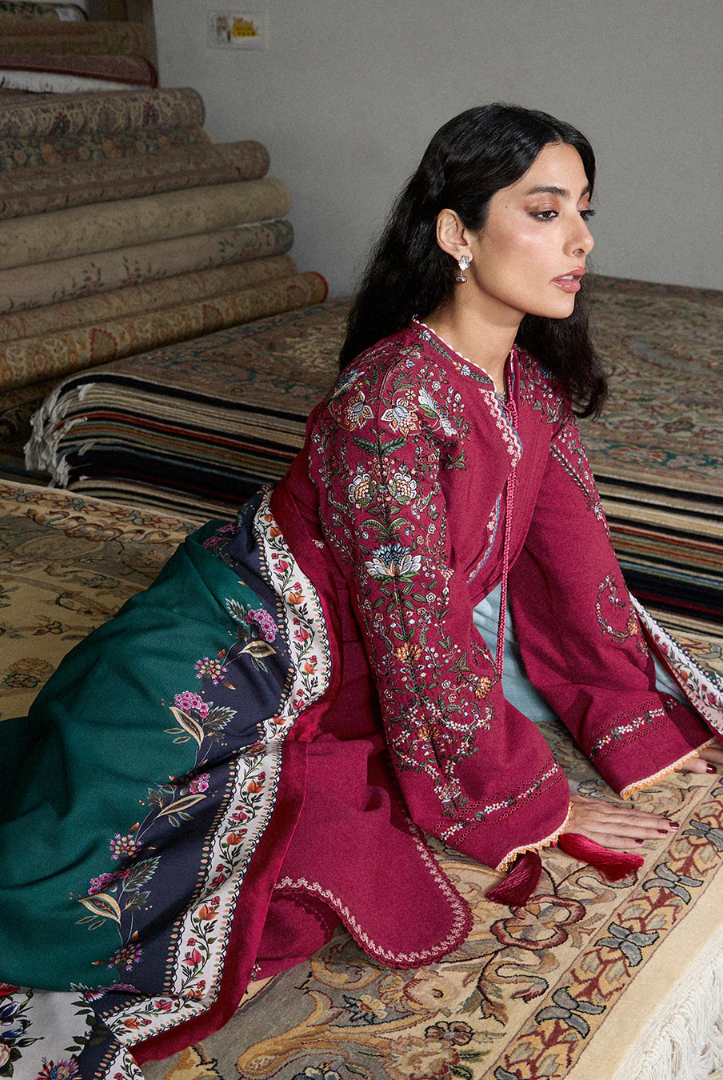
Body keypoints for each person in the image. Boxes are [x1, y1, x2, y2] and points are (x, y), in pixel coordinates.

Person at [2, 103, 722, 1079]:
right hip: (236, 647)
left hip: (347, 652)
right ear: (458, 232)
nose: (582, 240)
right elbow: (417, 641)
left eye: (583, 211)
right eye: (545, 211)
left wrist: (645, 715)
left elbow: (577, 570)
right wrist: (529, 802)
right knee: (82, 866)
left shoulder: (527, 386)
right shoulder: (386, 405)